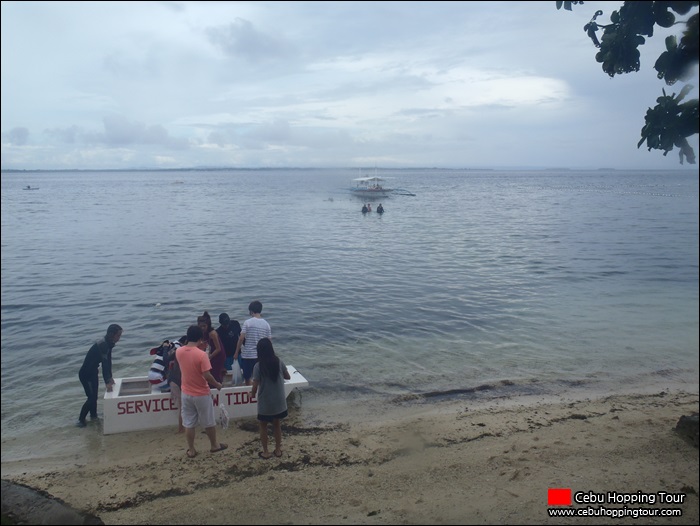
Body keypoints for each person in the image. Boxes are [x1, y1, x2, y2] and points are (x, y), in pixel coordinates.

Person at [176, 324, 227, 458]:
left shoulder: (179, 351)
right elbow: (207, 375)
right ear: (200, 338)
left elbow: (189, 360)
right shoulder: (202, 355)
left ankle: (191, 450)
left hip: (186, 393)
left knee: (189, 423)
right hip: (201, 393)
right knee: (209, 422)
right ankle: (214, 445)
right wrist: (217, 384)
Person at [251, 337, 290, 459]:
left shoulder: (258, 366)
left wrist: (251, 395)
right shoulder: (278, 361)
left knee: (263, 425)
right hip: (279, 401)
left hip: (266, 402)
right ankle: (278, 450)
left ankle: (266, 452)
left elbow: (255, 385)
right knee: (277, 424)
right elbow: (287, 376)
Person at [77, 323, 122, 427]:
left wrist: (110, 377)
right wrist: (107, 382)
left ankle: (93, 417)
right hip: (86, 374)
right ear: (111, 334)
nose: (119, 338)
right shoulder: (103, 344)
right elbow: (105, 364)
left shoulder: (109, 343)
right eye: (118, 335)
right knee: (91, 398)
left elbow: (108, 361)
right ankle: (81, 420)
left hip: (93, 373)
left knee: (94, 397)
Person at [234, 300, 271, 386]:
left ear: (251, 311)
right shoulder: (266, 324)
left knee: (247, 378)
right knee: (259, 377)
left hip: (248, 355)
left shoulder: (248, 322)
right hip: (261, 356)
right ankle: (258, 393)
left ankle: (250, 395)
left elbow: (241, 338)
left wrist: (236, 352)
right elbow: (269, 342)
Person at [197, 311, 226, 384]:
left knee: (214, 372)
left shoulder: (212, 333)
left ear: (208, 325)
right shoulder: (202, 333)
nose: (203, 328)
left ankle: (217, 385)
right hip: (211, 352)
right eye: (201, 326)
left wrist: (209, 357)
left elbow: (218, 349)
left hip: (218, 354)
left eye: (204, 326)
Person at [168, 336, 186, 433]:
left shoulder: (179, 351)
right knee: (181, 406)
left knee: (182, 406)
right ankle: (181, 429)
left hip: (180, 380)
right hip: (175, 380)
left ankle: (182, 427)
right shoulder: (179, 352)